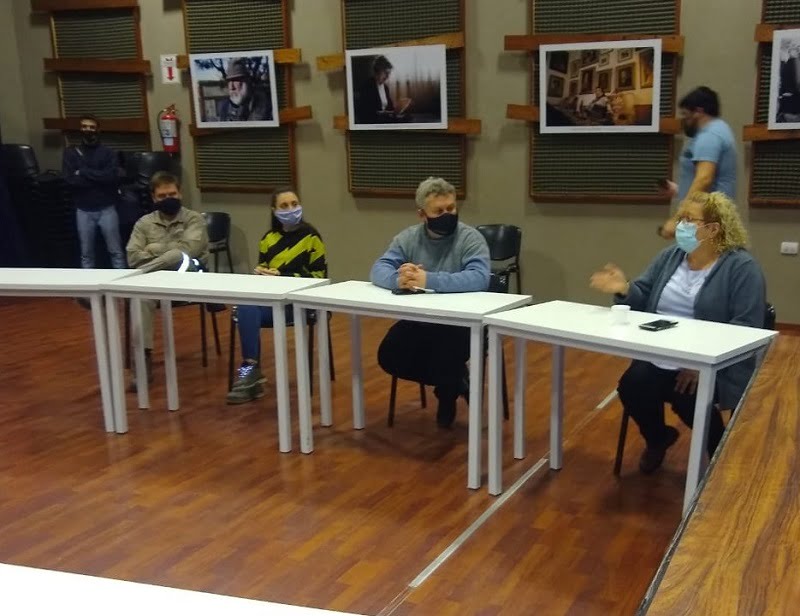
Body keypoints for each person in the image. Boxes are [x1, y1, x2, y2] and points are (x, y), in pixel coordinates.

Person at [590, 192, 766, 474]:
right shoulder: (670, 257)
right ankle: (658, 438)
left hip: (714, 362)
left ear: (713, 229)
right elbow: (642, 295)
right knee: (632, 385)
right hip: (661, 352)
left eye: (688, 219)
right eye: (680, 218)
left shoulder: (742, 268)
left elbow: (745, 327)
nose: (680, 226)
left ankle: (720, 459)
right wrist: (624, 289)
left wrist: (702, 363)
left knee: (689, 396)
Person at [370, 177, 490, 428]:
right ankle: (455, 381)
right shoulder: (408, 238)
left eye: (451, 208)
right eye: (439, 211)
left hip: (461, 323)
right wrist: (398, 280)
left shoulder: (470, 238)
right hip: (420, 319)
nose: (447, 215)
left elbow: (479, 277)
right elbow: (379, 268)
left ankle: (447, 391)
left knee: (444, 355)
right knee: (389, 355)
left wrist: (428, 279)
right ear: (422, 215)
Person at [227, 187, 327, 405]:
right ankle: (249, 370)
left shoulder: (311, 237)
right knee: (245, 306)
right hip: (273, 302)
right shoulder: (268, 239)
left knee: (249, 309)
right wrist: (261, 274)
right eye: (284, 206)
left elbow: (319, 277)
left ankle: (248, 375)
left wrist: (283, 276)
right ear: (274, 211)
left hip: (299, 305)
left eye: (294, 204)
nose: (291, 209)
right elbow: (264, 272)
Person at [126, 172, 210, 383]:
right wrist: (168, 252)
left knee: (177, 256)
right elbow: (132, 256)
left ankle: (124, 282)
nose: (168, 199)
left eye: (172, 194)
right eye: (162, 196)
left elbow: (189, 250)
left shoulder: (193, 218)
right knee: (140, 298)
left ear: (180, 194)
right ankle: (142, 359)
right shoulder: (144, 223)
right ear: (154, 198)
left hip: (189, 277)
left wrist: (153, 248)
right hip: (154, 281)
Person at [658, 87, 737, 239]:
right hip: (708, 220)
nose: (684, 120)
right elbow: (711, 180)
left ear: (699, 112)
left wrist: (676, 219)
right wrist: (679, 190)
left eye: (685, 114)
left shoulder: (709, 136)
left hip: (706, 224)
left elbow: (704, 179)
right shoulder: (719, 130)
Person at [62, 114, 126, 270]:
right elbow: (70, 180)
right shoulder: (71, 153)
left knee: (116, 252)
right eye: (84, 127)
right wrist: (99, 178)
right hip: (83, 210)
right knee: (86, 254)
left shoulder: (108, 153)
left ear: (98, 130)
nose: (88, 130)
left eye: (92, 127)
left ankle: (123, 284)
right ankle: (88, 285)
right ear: (80, 129)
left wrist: (83, 172)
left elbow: (111, 177)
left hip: (107, 208)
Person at [353, 55, 411, 124]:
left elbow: (390, 107)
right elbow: (367, 112)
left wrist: (398, 110)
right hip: (374, 120)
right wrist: (387, 113)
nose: (388, 76)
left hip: (385, 118)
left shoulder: (385, 87)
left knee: (408, 118)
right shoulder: (367, 86)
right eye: (385, 73)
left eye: (389, 73)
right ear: (376, 71)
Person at [218, 58, 272, 122]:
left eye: (235, 80)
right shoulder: (225, 107)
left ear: (246, 82)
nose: (231, 87)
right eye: (229, 81)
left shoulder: (265, 104)